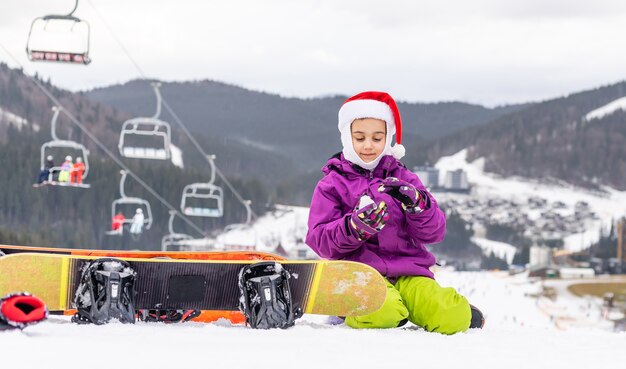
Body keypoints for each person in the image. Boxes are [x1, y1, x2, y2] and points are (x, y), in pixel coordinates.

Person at [305, 91, 484, 334]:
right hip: (360, 275)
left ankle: (442, 308)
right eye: (360, 138)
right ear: (347, 137)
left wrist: (417, 205)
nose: (368, 145)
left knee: (452, 317)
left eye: (377, 138)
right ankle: (377, 310)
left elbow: (435, 232)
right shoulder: (331, 184)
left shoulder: (404, 178)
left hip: (409, 272)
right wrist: (354, 228)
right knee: (383, 311)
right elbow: (320, 241)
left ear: (388, 139)